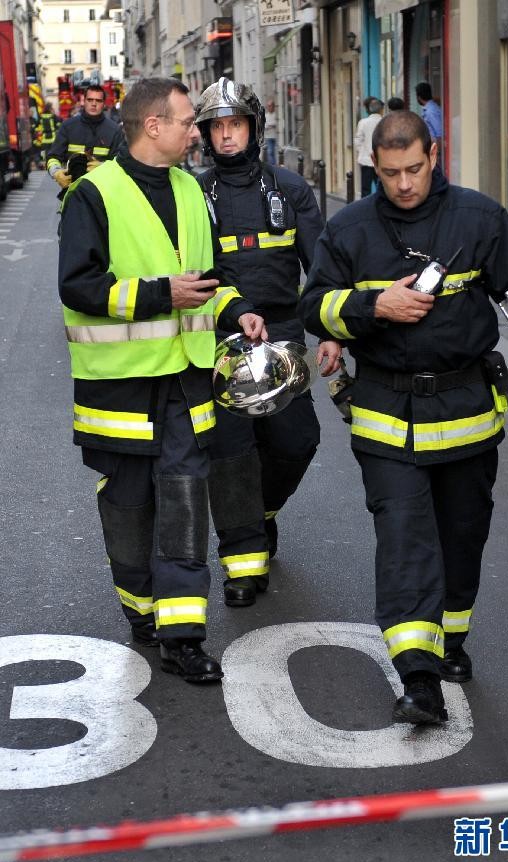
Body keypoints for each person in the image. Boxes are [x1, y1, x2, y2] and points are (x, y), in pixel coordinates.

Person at [300, 111, 508, 725]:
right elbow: (315, 306)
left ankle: (450, 640)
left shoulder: (478, 218)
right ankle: (418, 677)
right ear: (374, 166)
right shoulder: (350, 229)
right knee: (404, 542)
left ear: (434, 154)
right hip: (383, 417)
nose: (403, 184)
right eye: (389, 172)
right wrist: (375, 306)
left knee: (461, 536)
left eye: (414, 169)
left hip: (468, 414)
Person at [58, 77, 264, 682]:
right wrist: (159, 295)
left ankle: (182, 636)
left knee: (182, 502)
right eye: (186, 122)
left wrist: (235, 309)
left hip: (185, 382)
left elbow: (206, 278)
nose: (196, 133)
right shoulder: (94, 195)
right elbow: (78, 287)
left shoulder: (192, 190)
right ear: (153, 126)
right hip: (119, 391)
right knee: (128, 506)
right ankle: (141, 612)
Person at [194, 77, 342, 608]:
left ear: (253, 128)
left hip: (281, 333)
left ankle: (262, 513)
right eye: (217, 127)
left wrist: (328, 331)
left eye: (235, 124)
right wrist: (233, 310)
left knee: (296, 440)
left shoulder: (290, 189)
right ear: (206, 136)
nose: (227, 135)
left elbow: (321, 266)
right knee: (232, 451)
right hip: (221, 335)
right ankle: (243, 562)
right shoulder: (195, 195)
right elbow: (194, 272)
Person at [46, 84, 124, 196]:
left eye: (98, 100)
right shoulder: (68, 127)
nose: (94, 104)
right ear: (84, 101)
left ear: (103, 104)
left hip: (103, 193)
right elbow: (53, 156)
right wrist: (56, 173)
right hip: (73, 193)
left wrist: (103, 168)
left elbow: (121, 163)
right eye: (90, 100)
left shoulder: (114, 130)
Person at [354, 97, 383, 198]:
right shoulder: (384, 121)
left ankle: (365, 210)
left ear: (369, 109)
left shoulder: (363, 122)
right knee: (381, 187)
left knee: (365, 189)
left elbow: (358, 140)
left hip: (366, 160)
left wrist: (362, 151)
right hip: (380, 160)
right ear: (380, 109)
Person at [415, 82, 442, 152]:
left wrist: (437, 154)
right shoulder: (429, 109)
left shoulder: (431, 111)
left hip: (435, 150)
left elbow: (439, 135)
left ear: (419, 97)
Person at [264, 99, 277, 165]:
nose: (269, 107)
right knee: (270, 152)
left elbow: (278, 124)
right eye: (268, 106)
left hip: (276, 136)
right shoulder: (266, 116)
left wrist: (270, 125)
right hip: (268, 137)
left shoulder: (276, 115)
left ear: (273, 106)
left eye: (271, 106)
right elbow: (264, 126)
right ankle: (273, 166)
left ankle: (275, 166)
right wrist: (271, 125)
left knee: (276, 153)